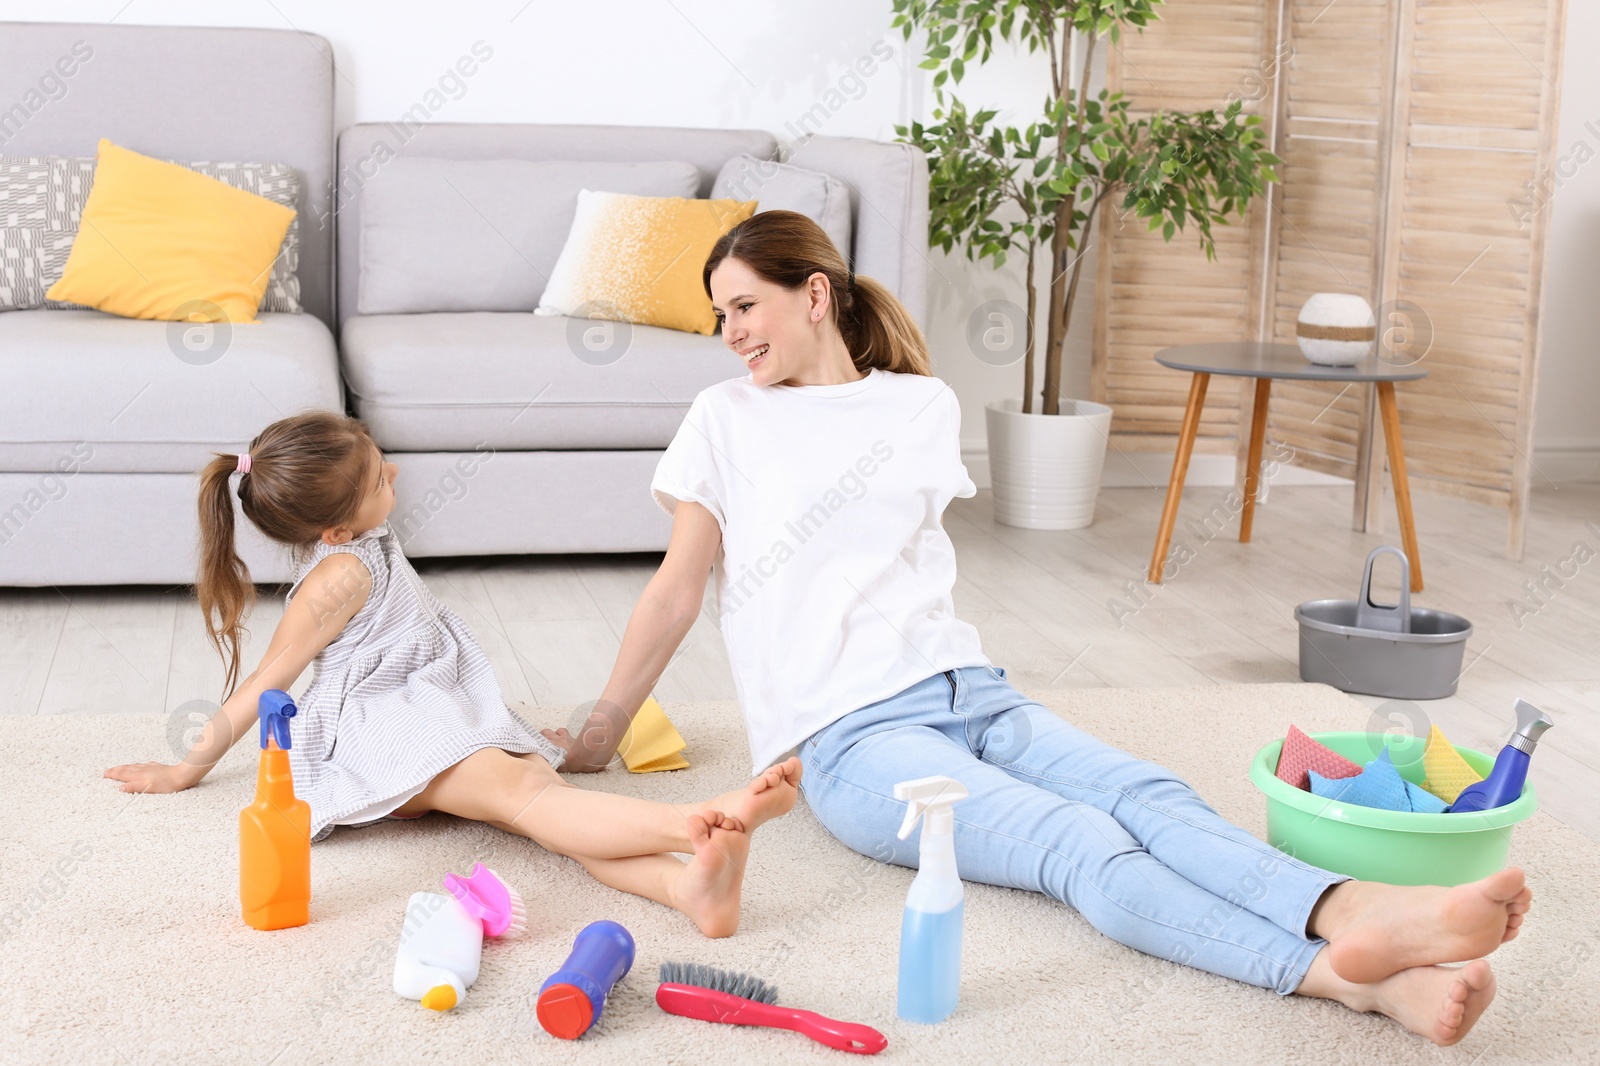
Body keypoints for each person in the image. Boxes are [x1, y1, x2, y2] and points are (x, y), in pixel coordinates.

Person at [539, 210, 1532, 1044]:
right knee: (1075, 839)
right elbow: (675, 591)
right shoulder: (724, 416)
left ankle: (1354, 910)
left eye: (744, 306)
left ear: (816, 294)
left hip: (975, 691)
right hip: (848, 737)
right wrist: (595, 737)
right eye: (720, 316)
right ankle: (1344, 977)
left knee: (1151, 794)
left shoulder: (920, 405)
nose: (731, 335)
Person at [103, 411, 801, 937]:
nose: (397, 475)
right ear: (335, 534)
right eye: (381, 478)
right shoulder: (336, 579)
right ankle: (696, 825)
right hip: (386, 726)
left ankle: (689, 892)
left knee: (542, 807)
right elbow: (267, 684)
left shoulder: (359, 540)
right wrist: (182, 770)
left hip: (431, 698)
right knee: (532, 797)